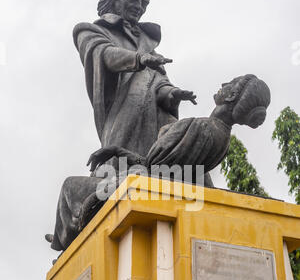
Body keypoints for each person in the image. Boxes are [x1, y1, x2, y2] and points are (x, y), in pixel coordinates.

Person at [48, 74, 270, 253]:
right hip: (155, 186)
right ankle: (63, 239)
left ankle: (64, 241)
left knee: (70, 186)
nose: (223, 83)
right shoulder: (220, 136)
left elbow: (154, 168)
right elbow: (165, 168)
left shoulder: (202, 128)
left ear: (231, 95)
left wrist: (118, 154)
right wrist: (115, 150)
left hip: (145, 187)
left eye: (229, 84)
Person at [73, 0, 197, 162]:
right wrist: (139, 59)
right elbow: (106, 55)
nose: (139, 6)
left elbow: (158, 82)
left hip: (158, 121)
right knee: (122, 171)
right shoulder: (89, 31)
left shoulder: (149, 45)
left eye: (144, 3)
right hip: (123, 119)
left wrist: (172, 93)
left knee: (185, 160)